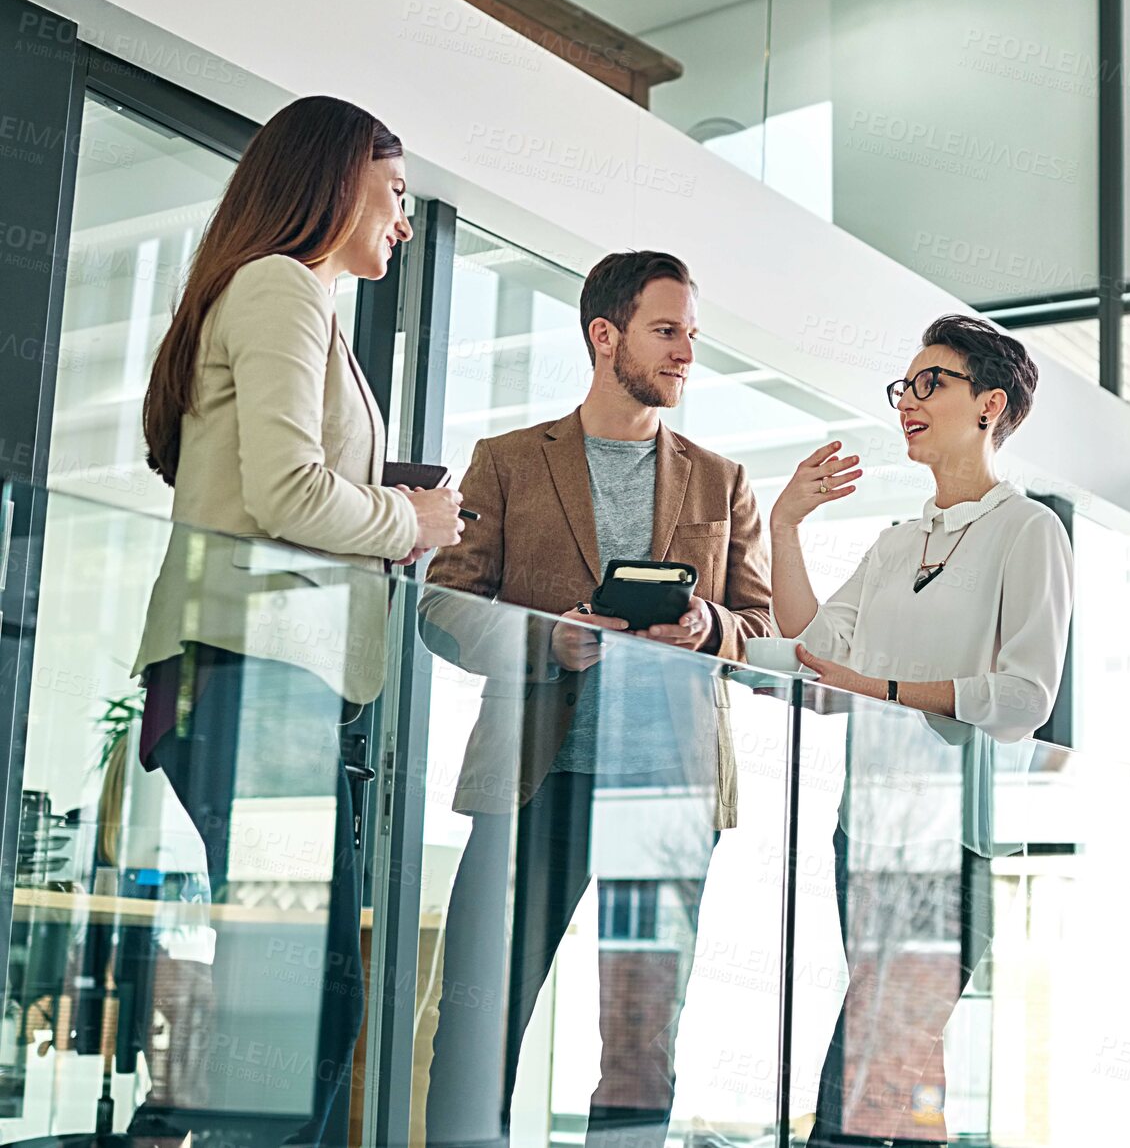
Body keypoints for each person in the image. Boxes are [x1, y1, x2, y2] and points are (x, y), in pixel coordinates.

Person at [130, 96, 463, 1147]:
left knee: (296, 997)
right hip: (247, 676)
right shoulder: (279, 287)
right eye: (397, 193)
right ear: (334, 177)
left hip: (263, 682)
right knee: (305, 1002)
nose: (405, 221)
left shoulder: (292, 298)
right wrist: (413, 520)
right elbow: (286, 493)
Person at [420, 249, 774, 1148]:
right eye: (666, 331)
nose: (685, 352)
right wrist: (549, 638)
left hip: (665, 792)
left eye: (691, 334)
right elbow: (443, 608)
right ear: (603, 334)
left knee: (642, 1044)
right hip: (533, 780)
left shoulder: (722, 478)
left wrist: (707, 628)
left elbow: (759, 631)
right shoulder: (506, 461)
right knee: (478, 1022)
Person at [768, 314, 1074, 1144]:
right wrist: (784, 527)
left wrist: (884, 688)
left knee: (876, 1063)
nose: (908, 399)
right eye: (904, 385)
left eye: (930, 382)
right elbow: (809, 649)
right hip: (862, 831)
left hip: (951, 840)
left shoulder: (1027, 530)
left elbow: (1023, 698)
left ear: (989, 405)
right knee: (897, 1071)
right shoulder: (898, 543)